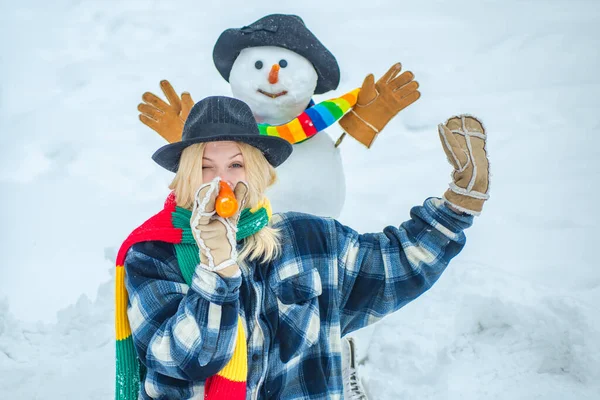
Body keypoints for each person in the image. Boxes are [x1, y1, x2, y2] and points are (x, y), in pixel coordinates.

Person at [115, 95, 490, 399]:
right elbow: (182, 360)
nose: (222, 181)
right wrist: (217, 272)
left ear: (258, 172)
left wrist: (458, 206)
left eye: (236, 164)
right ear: (184, 177)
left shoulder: (309, 239)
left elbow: (393, 267)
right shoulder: (153, 254)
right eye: (205, 168)